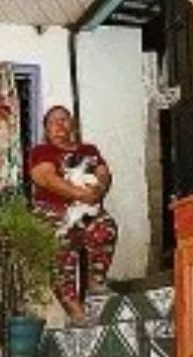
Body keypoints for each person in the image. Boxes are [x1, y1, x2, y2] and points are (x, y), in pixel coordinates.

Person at [28, 105, 117, 326]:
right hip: (53, 210)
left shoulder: (88, 150)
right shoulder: (42, 151)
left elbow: (103, 173)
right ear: (46, 129)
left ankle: (96, 282)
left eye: (64, 119)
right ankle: (74, 308)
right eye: (53, 121)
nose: (59, 124)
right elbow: (46, 178)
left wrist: (99, 189)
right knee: (60, 243)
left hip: (85, 209)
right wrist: (80, 194)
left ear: (72, 125)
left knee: (105, 227)